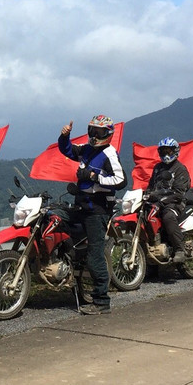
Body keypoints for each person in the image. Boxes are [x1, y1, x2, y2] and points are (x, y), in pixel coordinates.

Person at [57, 115, 126, 314]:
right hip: (81, 206)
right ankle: (73, 274)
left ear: (108, 134)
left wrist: (95, 176)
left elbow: (121, 180)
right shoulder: (87, 149)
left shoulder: (109, 153)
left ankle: (102, 300)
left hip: (98, 210)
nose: (95, 136)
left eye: (99, 132)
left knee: (95, 254)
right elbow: (68, 150)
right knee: (56, 219)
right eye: (92, 131)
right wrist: (64, 136)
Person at [147, 137, 193, 264]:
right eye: (163, 152)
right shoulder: (157, 168)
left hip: (176, 202)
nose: (166, 154)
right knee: (145, 216)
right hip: (158, 202)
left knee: (168, 217)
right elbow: (151, 186)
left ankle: (180, 249)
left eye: (169, 151)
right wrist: (147, 195)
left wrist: (164, 199)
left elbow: (179, 192)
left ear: (175, 151)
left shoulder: (180, 169)